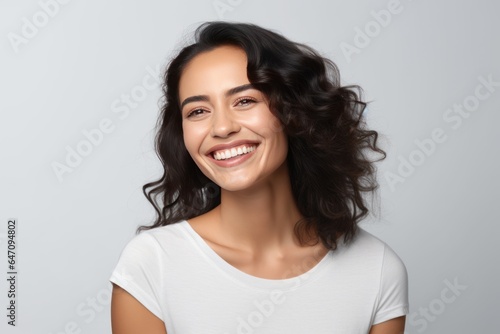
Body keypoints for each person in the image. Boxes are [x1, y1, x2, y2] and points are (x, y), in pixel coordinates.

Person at [109, 21, 409, 334]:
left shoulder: (376, 269)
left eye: (245, 101)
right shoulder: (151, 264)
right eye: (198, 111)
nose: (222, 128)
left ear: (294, 112)